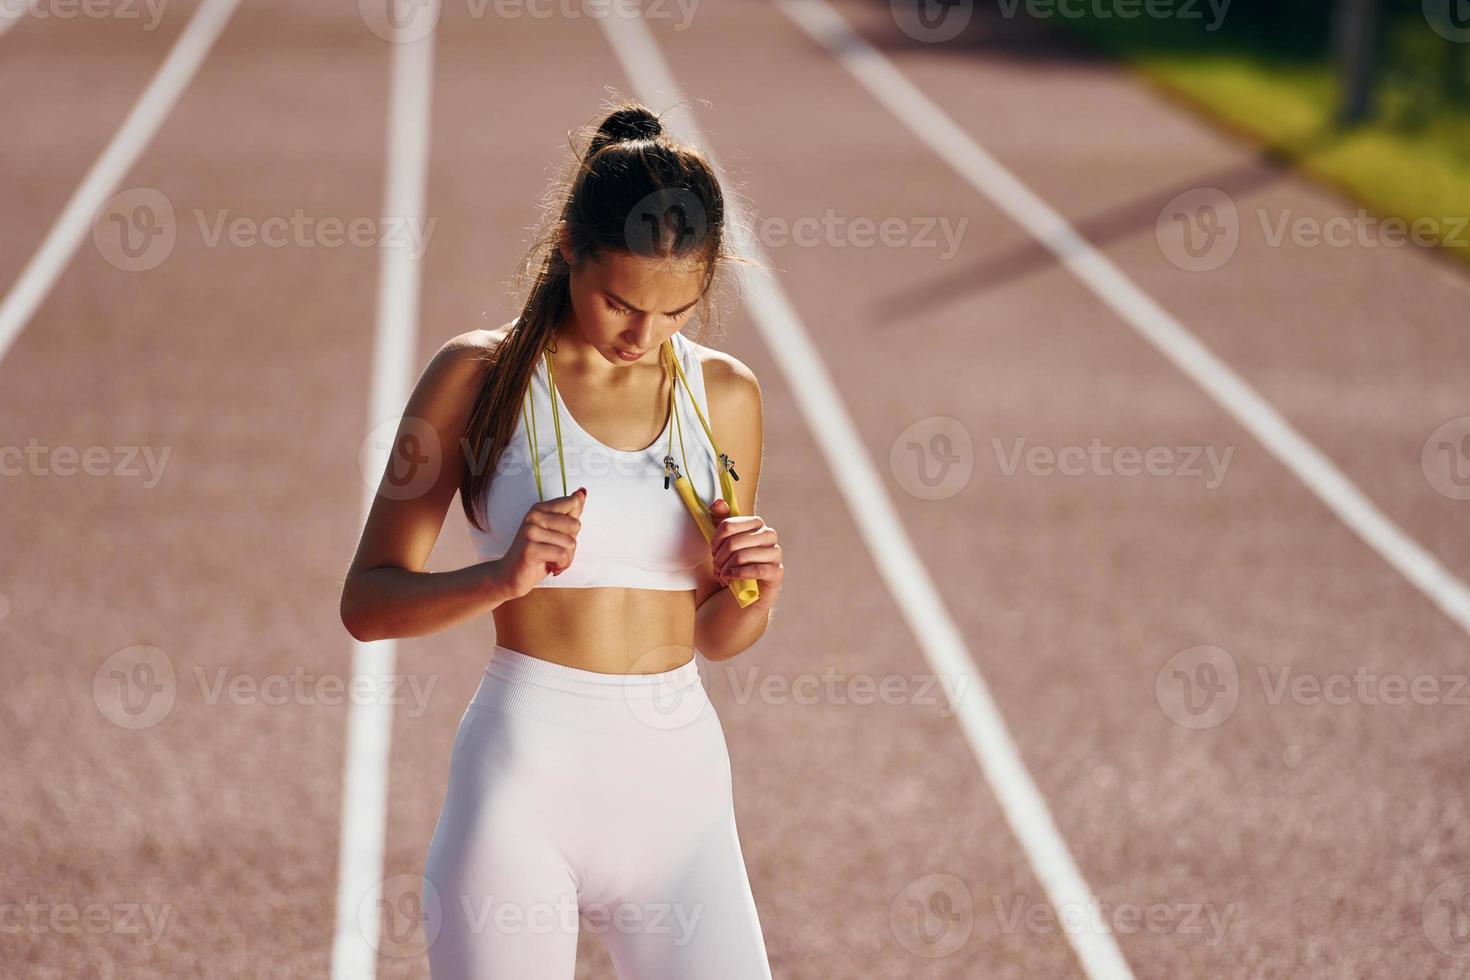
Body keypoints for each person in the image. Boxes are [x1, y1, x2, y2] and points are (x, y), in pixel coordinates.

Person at [339, 98, 782, 979]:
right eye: (620, 303)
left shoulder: (726, 397)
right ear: (569, 248)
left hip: (680, 791)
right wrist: (500, 579)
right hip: (524, 786)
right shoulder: (478, 378)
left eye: (676, 313)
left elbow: (717, 635)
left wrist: (756, 592)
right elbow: (367, 603)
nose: (642, 336)